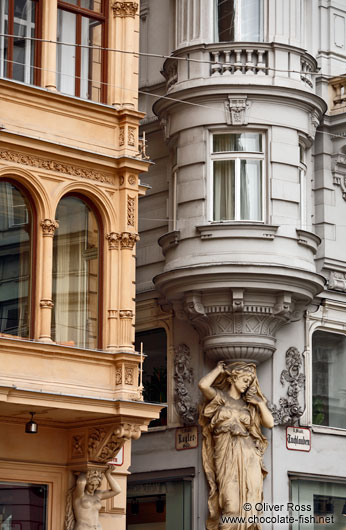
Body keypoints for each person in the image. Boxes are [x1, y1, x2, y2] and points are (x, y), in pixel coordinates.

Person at [199, 361, 274, 530]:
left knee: (250, 505)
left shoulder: (249, 405)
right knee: (230, 506)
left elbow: (269, 423)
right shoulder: (220, 397)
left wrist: (259, 402)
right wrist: (218, 369)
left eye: (249, 381)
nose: (247, 384)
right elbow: (203, 385)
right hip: (225, 455)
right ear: (233, 378)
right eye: (245, 380)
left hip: (248, 455)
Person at [65, 465, 121, 530]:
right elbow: (81, 482)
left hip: (97, 528)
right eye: (91, 484)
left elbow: (117, 490)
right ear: (86, 483)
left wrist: (107, 474)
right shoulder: (79, 495)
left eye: (96, 485)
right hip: (83, 528)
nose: (94, 487)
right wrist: (84, 471)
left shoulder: (98, 495)